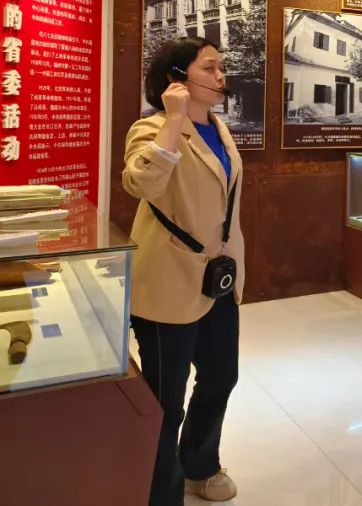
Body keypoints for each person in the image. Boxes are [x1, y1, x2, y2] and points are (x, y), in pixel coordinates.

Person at [123, 36, 245, 504]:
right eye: (209, 68)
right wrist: (173, 120)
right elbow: (141, 183)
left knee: (220, 376)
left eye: (221, 67)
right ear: (177, 77)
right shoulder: (152, 127)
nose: (220, 76)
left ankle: (199, 464)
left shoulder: (219, 128)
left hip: (218, 279)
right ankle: (161, 490)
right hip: (167, 281)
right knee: (165, 397)